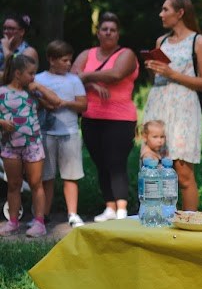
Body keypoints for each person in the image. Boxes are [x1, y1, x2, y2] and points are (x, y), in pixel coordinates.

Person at [142, 0, 202, 211]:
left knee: (182, 173)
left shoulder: (198, 41)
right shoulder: (161, 41)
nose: (160, 14)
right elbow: (158, 78)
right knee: (153, 167)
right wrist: (153, 69)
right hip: (158, 107)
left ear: (180, 13)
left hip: (184, 111)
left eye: (166, 10)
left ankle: (190, 224)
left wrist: (171, 73)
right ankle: (159, 219)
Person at [71, 12, 139, 222]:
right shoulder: (87, 54)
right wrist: (90, 84)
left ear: (118, 34)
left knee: (116, 161)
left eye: (113, 30)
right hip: (91, 116)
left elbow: (116, 74)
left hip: (120, 118)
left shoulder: (126, 54)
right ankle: (109, 206)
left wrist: (87, 76)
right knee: (100, 162)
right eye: (104, 29)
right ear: (98, 33)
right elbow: (72, 75)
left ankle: (122, 209)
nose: (108, 33)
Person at [0, 54, 61, 237]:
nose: (34, 77)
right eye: (31, 73)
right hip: (10, 146)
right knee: (13, 185)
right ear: (18, 73)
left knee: (36, 184)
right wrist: (2, 123)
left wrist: (40, 87)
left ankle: (39, 222)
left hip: (32, 145)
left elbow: (56, 102)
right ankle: (12, 222)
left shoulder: (32, 92)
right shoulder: (2, 92)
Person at [36, 40, 88, 228]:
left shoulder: (73, 80)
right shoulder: (39, 79)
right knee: (46, 177)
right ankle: (43, 214)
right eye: (64, 60)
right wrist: (45, 103)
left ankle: (73, 214)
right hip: (46, 132)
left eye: (70, 60)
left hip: (70, 133)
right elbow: (35, 102)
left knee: (71, 175)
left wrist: (65, 103)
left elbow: (83, 105)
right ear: (51, 59)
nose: (68, 64)